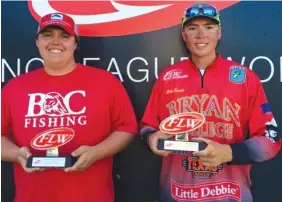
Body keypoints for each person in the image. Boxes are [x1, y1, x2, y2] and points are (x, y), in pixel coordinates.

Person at [140, 3, 281, 202]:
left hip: (231, 193)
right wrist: (152, 139)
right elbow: (147, 127)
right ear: (183, 35)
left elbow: (270, 140)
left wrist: (229, 152)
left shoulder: (244, 77)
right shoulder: (168, 77)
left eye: (208, 27)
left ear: (219, 33)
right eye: (192, 28)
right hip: (176, 193)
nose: (201, 34)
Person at [1, 12, 137, 202]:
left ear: (75, 43)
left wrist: (96, 152)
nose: (55, 42)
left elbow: (127, 128)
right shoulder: (14, 87)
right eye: (48, 35)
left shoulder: (105, 81)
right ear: (37, 41)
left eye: (64, 36)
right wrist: (17, 155)